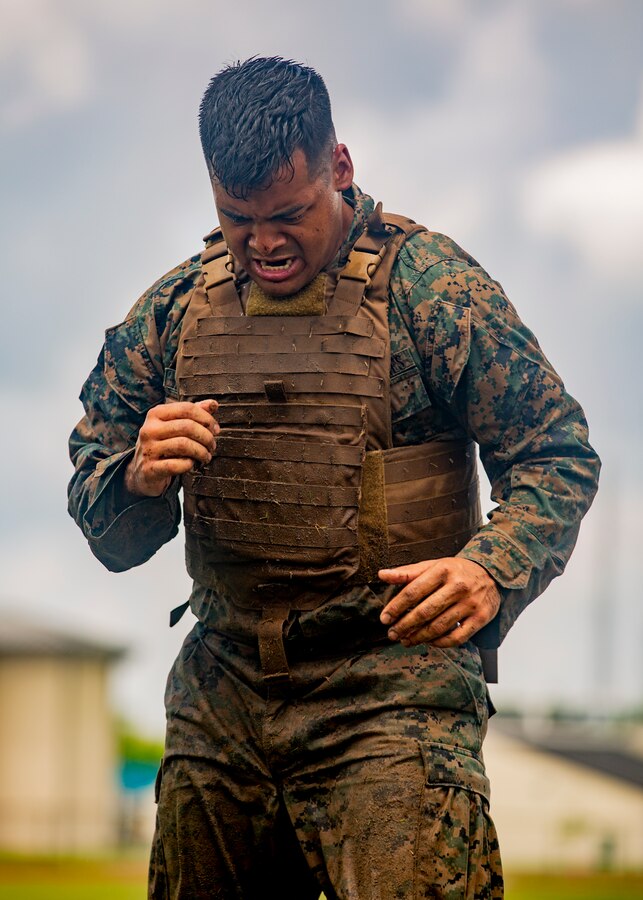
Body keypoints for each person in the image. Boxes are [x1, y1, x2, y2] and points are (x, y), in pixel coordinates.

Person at [68, 57, 600, 899]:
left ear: (339, 169)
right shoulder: (174, 313)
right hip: (225, 691)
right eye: (238, 219)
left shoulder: (434, 292)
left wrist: (489, 568)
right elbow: (108, 529)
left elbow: (555, 452)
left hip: (391, 686)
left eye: (289, 213)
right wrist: (135, 477)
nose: (266, 243)